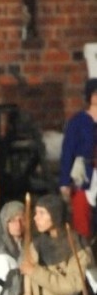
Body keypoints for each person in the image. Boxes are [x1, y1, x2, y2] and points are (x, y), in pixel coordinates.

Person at [58, 77, 97, 240]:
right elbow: (68, 152)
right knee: (82, 221)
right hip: (84, 174)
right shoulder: (78, 122)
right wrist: (64, 182)